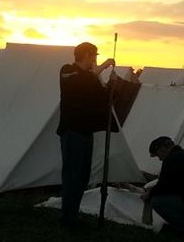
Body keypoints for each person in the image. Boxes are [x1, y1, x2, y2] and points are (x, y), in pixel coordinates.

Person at [57, 42, 116, 228]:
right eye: (94, 56)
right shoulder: (68, 70)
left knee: (82, 177)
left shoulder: (91, 78)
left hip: (85, 133)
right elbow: (79, 82)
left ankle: (72, 215)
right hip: (72, 132)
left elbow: (100, 96)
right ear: (88, 55)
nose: (95, 60)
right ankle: (67, 219)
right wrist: (99, 69)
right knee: (71, 176)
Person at [141, 136, 184, 236]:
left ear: (162, 148)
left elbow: (165, 185)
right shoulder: (182, 155)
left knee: (157, 201)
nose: (160, 159)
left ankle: (183, 228)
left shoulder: (171, 159)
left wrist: (150, 193)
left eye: (158, 155)